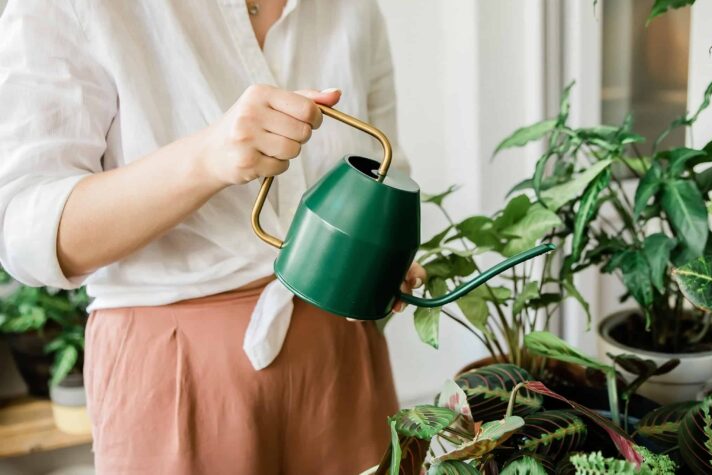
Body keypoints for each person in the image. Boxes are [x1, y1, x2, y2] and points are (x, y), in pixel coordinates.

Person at [0, 0, 425, 473]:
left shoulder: (353, 9)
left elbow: (387, 172)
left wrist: (382, 257)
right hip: (176, 373)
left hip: (344, 362)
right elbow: (27, 236)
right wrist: (205, 158)